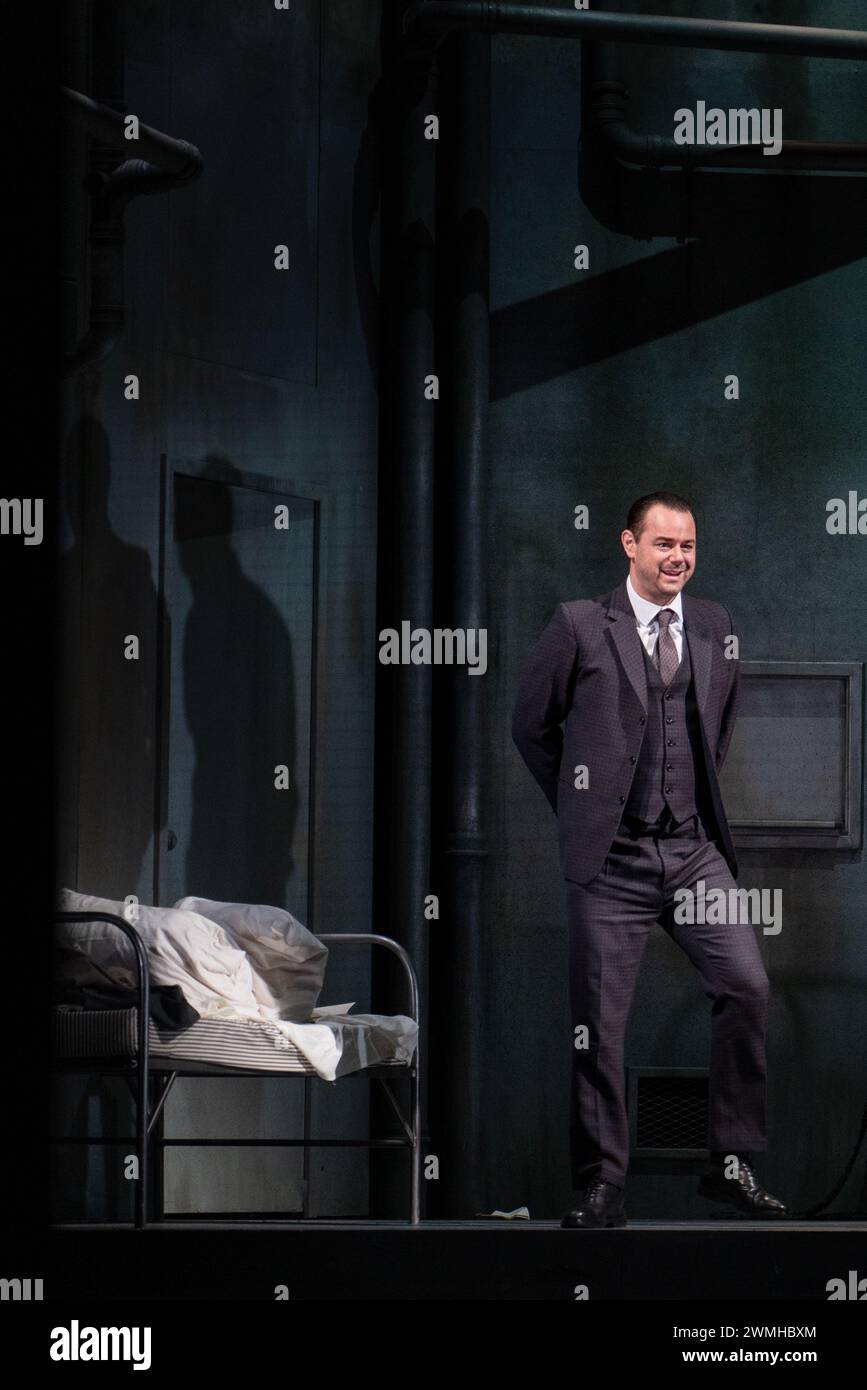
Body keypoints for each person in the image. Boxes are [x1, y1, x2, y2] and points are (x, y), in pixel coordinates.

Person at [511, 491, 788, 1227]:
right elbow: (530, 726)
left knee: (746, 987)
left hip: (693, 850)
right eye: (663, 544)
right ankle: (602, 1186)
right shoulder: (578, 625)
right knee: (598, 1027)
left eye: (688, 547)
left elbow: (715, 728)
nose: (677, 559)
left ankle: (729, 1160)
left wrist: (684, 806)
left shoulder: (712, 624)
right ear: (628, 545)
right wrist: (584, 809)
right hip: (612, 860)